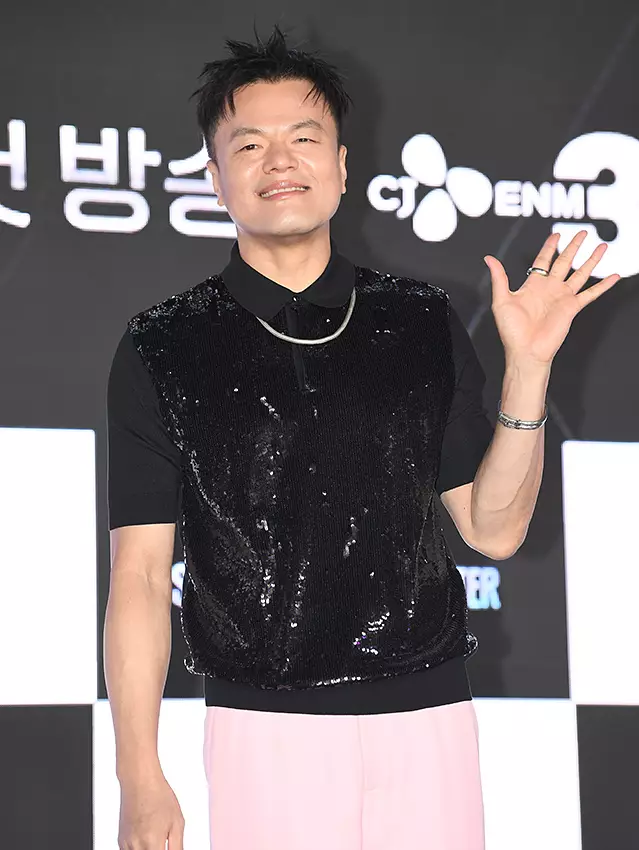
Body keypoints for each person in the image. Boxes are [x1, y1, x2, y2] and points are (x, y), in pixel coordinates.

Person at [103, 25, 621, 850]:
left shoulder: (418, 321)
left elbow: (492, 531)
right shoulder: (163, 344)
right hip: (264, 729)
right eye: (250, 144)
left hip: (429, 717)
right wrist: (138, 773)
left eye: (304, 138)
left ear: (342, 167)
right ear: (214, 178)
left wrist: (527, 369)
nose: (280, 161)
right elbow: (137, 576)